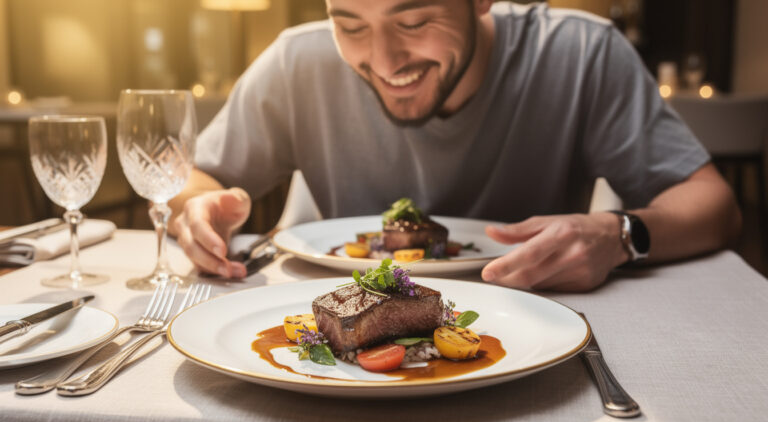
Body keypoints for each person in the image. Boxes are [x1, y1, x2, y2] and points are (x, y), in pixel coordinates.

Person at [170, 0, 741, 291]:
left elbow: (715, 205)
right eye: (351, 26)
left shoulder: (582, 54)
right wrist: (200, 207)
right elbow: (197, 181)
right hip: (347, 351)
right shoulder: (297, 61)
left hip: (533, 330)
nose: (384, 62)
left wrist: (619, 236)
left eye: (414, 21)